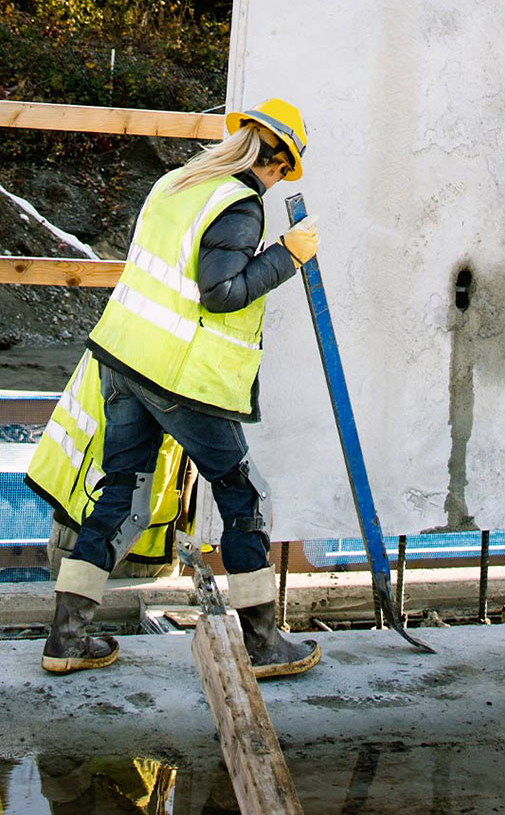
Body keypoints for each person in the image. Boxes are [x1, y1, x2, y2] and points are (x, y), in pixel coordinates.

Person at [36, 98, 323, 679]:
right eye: (279, 172)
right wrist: (285, 258)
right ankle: (264, 645)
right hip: (178, 378)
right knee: (242, 496)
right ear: (273, 159)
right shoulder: (239, 204)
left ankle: (65, 639)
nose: (273, 183)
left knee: (121, 495)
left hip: (123, 362)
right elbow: (220, 293)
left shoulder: (176, 183)